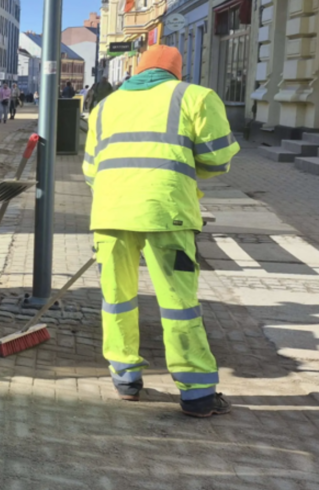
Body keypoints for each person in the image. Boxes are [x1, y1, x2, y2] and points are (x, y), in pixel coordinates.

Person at [83, 45, 240, 418]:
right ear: (176, 72)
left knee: (117, 299)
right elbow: (218, 158)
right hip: (166, 212)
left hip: (110, 212)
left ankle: (125, 380)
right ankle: (197, 394)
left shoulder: (105, 106)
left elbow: (91, 169)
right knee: (178, 304)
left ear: (137, 71)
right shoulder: (195, 97)